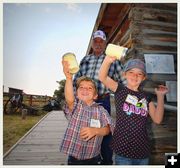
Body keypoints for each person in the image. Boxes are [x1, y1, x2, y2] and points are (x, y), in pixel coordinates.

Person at [99, 57, 169, 165]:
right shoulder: (120, 90)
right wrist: (107, 61)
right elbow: (102, 77)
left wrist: (160, 96)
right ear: (124, 74)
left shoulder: (146, 97)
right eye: (131, 72)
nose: (135, 76)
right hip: (122, 151)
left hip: (142, 152)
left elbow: (158, 119)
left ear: (144, 77)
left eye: (139, 74)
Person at [73, 30, 123, 165]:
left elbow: (122, 80)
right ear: (92, 43)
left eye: (101, 41)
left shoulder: (112, 59)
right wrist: (75, 99)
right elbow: (76, 81)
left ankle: (106, 161)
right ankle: (84, 159)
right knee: (83, 130)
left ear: (105, 43)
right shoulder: (85, 59)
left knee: (106, 132)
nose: (98, 44)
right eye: (96, 41)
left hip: (104, 101)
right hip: (85, 102)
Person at [60, 60, 115, 165]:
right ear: (76, 93)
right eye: (81, 87)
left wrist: (96, 131)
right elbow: (70, 100)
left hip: (94, 158)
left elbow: (108, 129)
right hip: (74, 158)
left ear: (95, 96)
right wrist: (68, 78)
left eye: (89, 88)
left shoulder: (101, 110)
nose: (85, 89)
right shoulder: (76, 107)